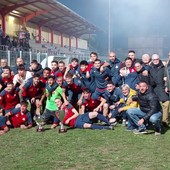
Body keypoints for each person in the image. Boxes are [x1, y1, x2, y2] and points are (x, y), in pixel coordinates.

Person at [149, 54, 170, 127]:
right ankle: (154, 120)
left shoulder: (164, 66)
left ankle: (164, 121)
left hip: (162, 87)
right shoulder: (149, 67)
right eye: (154, 59)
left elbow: (167, 76)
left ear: (159, 59)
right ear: (152, 60)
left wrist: (167, 85)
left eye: (157, 59)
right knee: (154, 105)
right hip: (153, 88)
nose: (155, 61)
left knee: (166, 103)